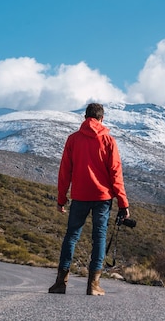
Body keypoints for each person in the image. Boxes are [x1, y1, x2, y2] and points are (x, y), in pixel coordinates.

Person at [48, 103, 130, 296]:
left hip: (79, 197)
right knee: (99, 238)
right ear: (102, 118)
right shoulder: (109, 141)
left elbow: (64, 172)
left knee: (71, 236)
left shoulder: (73, 140)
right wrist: (123, 203)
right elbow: (116, 175)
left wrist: (61, 200)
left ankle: (61, 283)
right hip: (103, 198)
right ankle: (93, 285)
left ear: (85, 117)